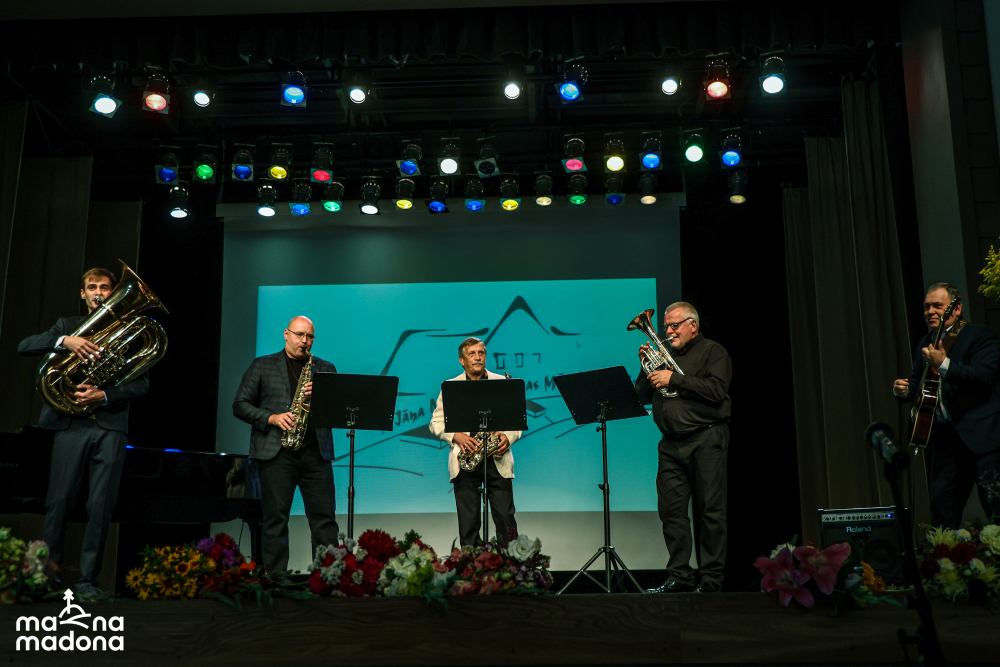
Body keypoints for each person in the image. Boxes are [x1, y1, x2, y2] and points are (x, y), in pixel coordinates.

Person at [17, 268, 150, 599]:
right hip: (69, 425)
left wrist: (104, 395)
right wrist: (65, 341)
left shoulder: (127, 329)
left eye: (105, 287)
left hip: (109, 426)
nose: (98, 292)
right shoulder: (67, 325)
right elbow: (24, 345)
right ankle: (46, 579)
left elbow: (142, 383)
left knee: (100, 505)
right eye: (92, 287)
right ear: (83, 293)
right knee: (58, 501)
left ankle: (88, 582)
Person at [634, 302, 732, 593]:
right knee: (671, 512)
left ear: (693, 325)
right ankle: (680, 575)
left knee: (711, 511)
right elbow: (641, 396)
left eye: (674, 325)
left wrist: (673, 378)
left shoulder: (713, 352)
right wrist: (644, 368)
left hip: (706, 438)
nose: (668, 331)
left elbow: (717, 391)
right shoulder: (664, 356)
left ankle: (711, 579)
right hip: (671, 444)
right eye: (665, 326)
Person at [233, 316, 340, 573]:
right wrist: (271, 418)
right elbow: (240, 405)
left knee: (325, 522)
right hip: (277, 453)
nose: (305, 341)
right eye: (299, 335)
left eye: (310, 337)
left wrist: (324, 398)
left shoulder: (325, 367)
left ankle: (327, 580)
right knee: (275, 521)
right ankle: (275, 582)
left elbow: (337, 412)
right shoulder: (263, 364)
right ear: (286, 334)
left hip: (315, 454)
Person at [893, 282, 1000, 528]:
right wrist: (904, 389)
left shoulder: (979, 334)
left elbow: (984, 375)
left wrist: (944, 364)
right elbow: (918, 380)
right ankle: (945, 553)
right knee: (942, 513)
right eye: (926, 307)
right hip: (946, 440)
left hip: (982, 437)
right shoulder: (927, 340)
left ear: (956, 309)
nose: (930, 311)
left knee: (996, 507)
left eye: (937, 306)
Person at [429, 337, 521, 547]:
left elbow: (517, 419)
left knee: (506, 521)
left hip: (497, 459)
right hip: (466, 461)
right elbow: (435, 423)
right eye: (472, 354)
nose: (477, 357)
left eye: (481, 353)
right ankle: (471, 567)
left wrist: (508, 437)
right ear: (462, 360)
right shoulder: (451, 387)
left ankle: (512, 565)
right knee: (468, 526)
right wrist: (456, 435)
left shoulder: (502, 382)